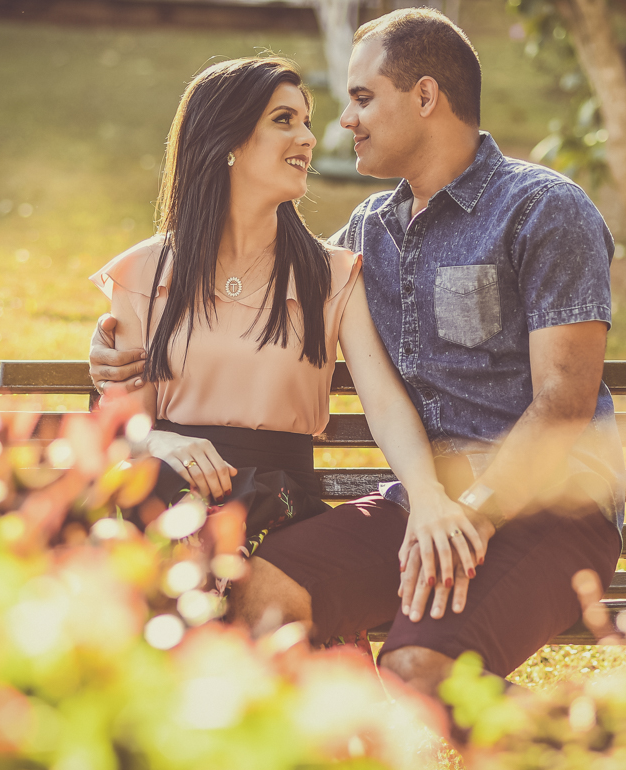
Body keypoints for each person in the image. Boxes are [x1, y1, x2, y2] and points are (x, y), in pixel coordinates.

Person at [91, 10, 625, 700]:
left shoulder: (543, 210)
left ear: (425, 97)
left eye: (363, 98)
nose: (339, 124)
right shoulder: (371, 231)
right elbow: (256, 273)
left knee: (416, 672)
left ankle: (583, 763)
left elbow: (564, 402)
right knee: (264, 595)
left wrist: (475, 512)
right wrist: (108, 350)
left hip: (546, 509)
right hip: (424, 509)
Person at [91, 56, 484, 593]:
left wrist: (427, 495)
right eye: (283, 120)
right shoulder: (142, 272)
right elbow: (124, 429)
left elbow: (387, 404)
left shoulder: (332, 274)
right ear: (226, 140)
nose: (308, 138)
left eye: (305, 121)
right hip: (171, 494)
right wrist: (160, 443)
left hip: (279, 510)